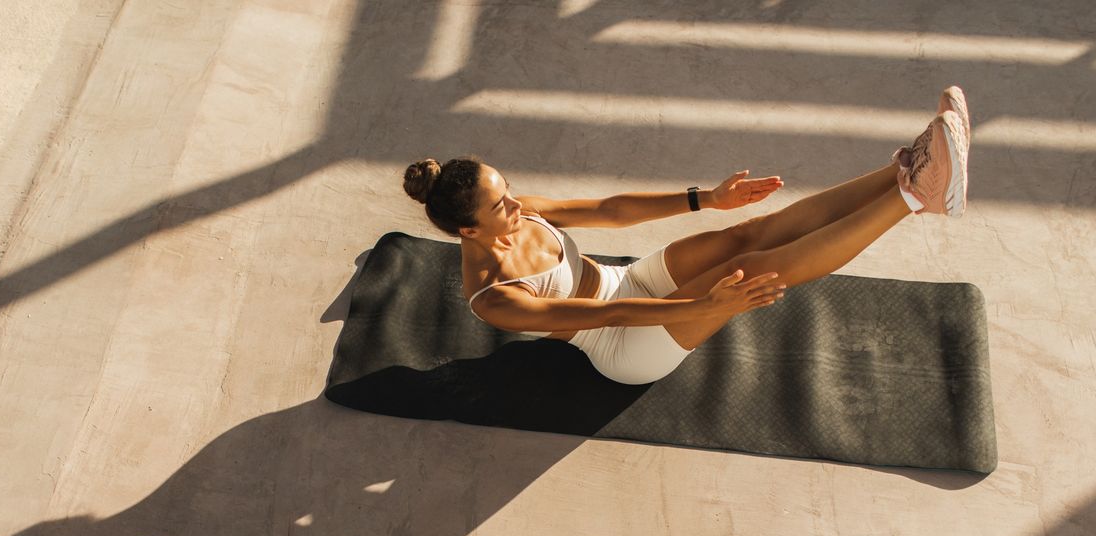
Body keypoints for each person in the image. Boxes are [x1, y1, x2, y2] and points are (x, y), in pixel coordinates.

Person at [402, 88, 970, 385]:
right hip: (624, 348)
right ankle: (916, 196)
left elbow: (610, 208)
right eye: (501, 203)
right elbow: (608, 319)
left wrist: (706, 199)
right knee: (748, 271)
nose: (516, 203)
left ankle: (912, 166)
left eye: (508, 189)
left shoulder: (520, 211)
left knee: (746, 235)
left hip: (629, 280)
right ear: (471, 229)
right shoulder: (493, 297)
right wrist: (707, 303)